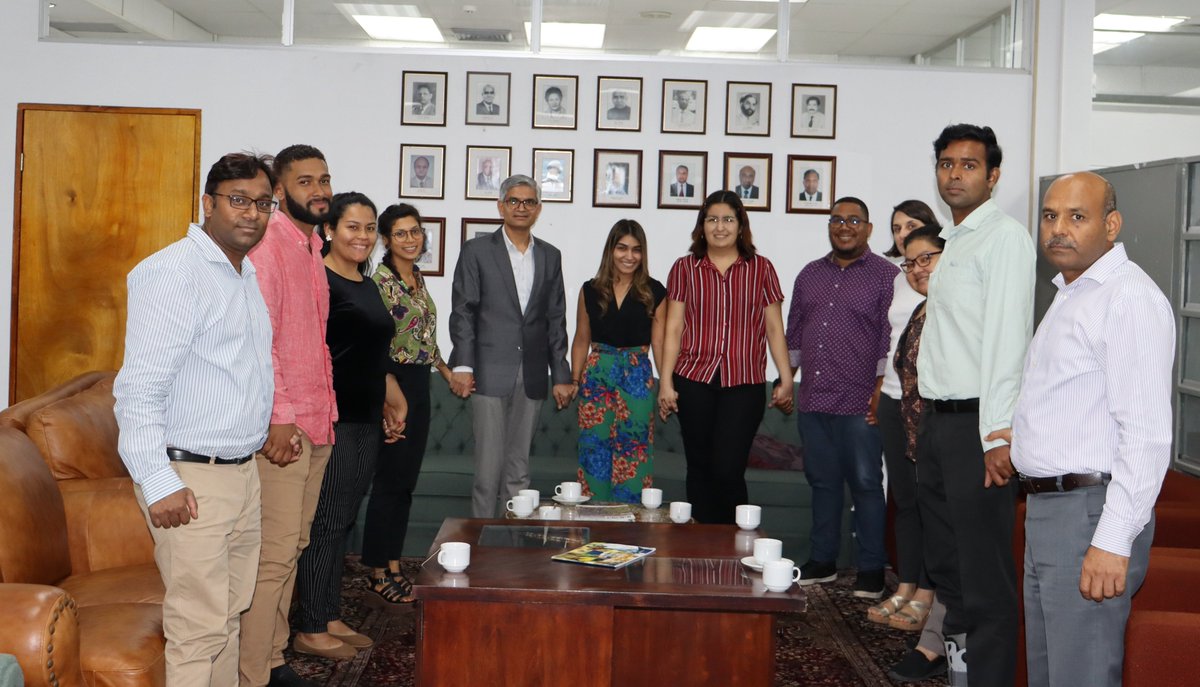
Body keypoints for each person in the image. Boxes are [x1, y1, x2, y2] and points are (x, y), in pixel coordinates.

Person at [114, 152, 277, 687]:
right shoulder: (174, 273)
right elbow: (138, 391)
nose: (252, 213)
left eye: (263, 203)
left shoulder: (242, 273)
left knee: (227, 618)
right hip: (190, 478)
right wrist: (158, 481)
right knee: (197, 629)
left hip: (240, 472)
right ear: (208, 203)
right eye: (238, 200)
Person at [1007, 172, 1172, 687]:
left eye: (1077, 216)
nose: (1059, 228)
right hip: (1051, 510)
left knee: (1080, 675)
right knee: (1049, 674)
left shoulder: (1126, 299)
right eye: (1050, 215)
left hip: (1088, 516)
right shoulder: (1072, 292)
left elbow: (1146, 435)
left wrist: (1113, 541)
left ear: (1112, 225)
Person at [916, 123, 1035, 686]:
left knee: (984, 574)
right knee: (948, 566)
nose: (955, 174)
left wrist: (996, 436)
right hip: (938, 423)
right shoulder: (955, 239)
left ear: (993, 176)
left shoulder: (1005, 239)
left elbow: (1008, 343)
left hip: (977, 429)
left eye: (968, 165)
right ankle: (962, 673)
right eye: (946, 163)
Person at [240, 144, 338, 687]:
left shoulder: (311, 247)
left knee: (294, 547)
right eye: (305, 181)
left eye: (323, 179)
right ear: (279, 191)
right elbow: (263, 343)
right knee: (274, 555)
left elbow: (314, 342)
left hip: (316, 419)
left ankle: (273, 659)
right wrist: (280, 418)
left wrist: (327, 410)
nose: (319, 190)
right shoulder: (268, 247)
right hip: (286, 426)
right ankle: (254, 672)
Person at [293, 192, 405, 660]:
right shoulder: (318, 279)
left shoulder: (365, 282)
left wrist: (390, 396)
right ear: (329, 230)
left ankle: (329, 613)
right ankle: (309, 627)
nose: (362, 236)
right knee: (324, 523)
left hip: (365, 417)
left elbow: (371, 352)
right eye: (352, 227)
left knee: (341, 520)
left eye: (369, 228)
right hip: (332, 419)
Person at [658, 191, 794, 524]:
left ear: (741, 225)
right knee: (699, 467)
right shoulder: (685, 268)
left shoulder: (761, 268)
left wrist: (787, 377)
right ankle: (701, 545)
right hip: (693, 379)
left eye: (728, 220)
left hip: (744, 383)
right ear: (702, 226)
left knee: (728, 469)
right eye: (712, 219)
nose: (720, 227)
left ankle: (735, 544)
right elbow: (673, 328)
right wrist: (665, 382)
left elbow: (774, 329)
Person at [785, 197, 897, 598]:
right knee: (823, 484)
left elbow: (889, 337)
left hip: (860, 402)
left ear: (868, 228)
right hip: (814, 399)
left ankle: (871, 568)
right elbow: (794, 331)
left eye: (853, 220)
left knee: (866, 484)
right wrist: (786, 380)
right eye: (836, 219)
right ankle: (823, 561)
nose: (844, 226)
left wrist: (880, 391)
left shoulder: (887, 276)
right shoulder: (810, 274)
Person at [448, 175, 574, 517]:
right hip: (488, 371)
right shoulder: (476, 251)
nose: (522, 207)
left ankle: (511, 543)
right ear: (501, 206)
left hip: (532, 373)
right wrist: (463, 365)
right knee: (488, 471)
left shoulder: (550, 255)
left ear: (538, 209)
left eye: (529, 202)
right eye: (514, 201)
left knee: (519, 470)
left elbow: (556, 318)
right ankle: (482, 543)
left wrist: (561, 374)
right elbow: (463, 311)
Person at [363, 202, 455, 606]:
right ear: (386, 239)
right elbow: (375, 342)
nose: (410, 239)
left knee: (404, 483)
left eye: (415, 231)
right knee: (388, 481)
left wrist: (446, 371)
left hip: (419, 383)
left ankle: (394, 563)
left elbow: (425, 339)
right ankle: (376, 571)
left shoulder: (416, 277)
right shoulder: (379, 282)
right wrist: (388, 398)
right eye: (400, 233)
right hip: (391, 384)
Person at [885, 225, 951, 683]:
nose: (916, 269)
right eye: (909, 263)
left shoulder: (957, 312)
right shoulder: (922, 310)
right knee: (935, 537)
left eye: (927, 258)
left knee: (949, 549)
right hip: (922, 446)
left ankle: (935, 645)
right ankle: (937, 640)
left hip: (952, 448)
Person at [869, 201, 940, 626]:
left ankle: (929, 590)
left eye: (910, 225)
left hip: (928, 401)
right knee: (905, 499)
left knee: (931, 501)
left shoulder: (943, 278)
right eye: (896, 227)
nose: (901, 233)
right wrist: (880, 388)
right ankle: (906, 584)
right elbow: (892, 337)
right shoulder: (899, 277)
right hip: (894, 397)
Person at [570, 220, 667, 502]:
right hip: (597, 376)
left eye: (636, 250)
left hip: (637, 376)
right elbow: (581, 339)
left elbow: (660, 343)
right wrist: (574, 379)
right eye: (622, 248)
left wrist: (666, 385)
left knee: (634, 450)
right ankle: (594, 518)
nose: (629, 256)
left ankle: (630, 522)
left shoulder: (655, 291)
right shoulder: (590, 290)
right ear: (611, 250)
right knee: (594, 450)